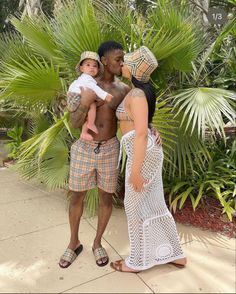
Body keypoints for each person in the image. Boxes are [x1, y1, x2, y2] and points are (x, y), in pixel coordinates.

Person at [110, 46, 187, 273]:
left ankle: (136, 262)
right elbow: (142, 125)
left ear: (132, 69)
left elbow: (141, 133)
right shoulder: (141, 92)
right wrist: (151, 128)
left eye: (125, 62)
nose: (121, 65)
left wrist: (135, 171)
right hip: (142, 150)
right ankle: (176, 254)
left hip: (141, 152)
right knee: (153, 204)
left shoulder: (136, 94)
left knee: (133, 207)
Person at [59, 41, 131, 268]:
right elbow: (74, 122)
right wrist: (85, 103)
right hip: (84, 147)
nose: (122, 62)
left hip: (110, 147)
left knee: (105, 197)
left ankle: (97, 242)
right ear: (104, 61)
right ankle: (73, 243)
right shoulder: (86, 84)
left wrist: (150, 127)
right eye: (118, 59)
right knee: (77, 196)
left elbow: (136, 115)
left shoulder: (123, 90)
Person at [68, 51, 113, 141]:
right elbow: (94, 88)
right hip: (76, 97)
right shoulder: (87, 78)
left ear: (98, 69)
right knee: (92, 106)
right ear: (81, 68)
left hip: (73, 98)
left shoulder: (80, 79)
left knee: (89, 111)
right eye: (88, 65)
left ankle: (84, 132)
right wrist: (105, 96)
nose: (91, 68)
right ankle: (91, 124)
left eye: (94, 66)